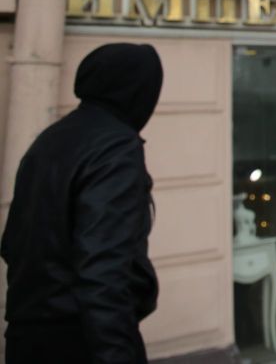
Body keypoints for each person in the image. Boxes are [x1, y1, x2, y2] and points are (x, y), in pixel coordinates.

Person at [2, 43, 163, 363]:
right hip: (81, 340)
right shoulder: (115, 148)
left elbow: (13, 243)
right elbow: (102, 273)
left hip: (27, 337)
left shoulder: (52, 139)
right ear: (135, 91)